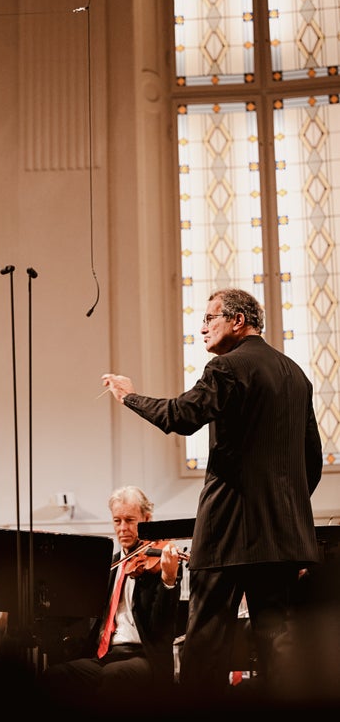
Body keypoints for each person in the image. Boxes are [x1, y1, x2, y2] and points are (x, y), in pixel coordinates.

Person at [102, 288, 323, 707]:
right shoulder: (296, 374)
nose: (202, 326)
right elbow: (310, 460)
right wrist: (285, 509)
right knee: (278, 647)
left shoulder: (226, 367)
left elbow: (180, 417)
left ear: (238, 321)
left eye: (210, 317)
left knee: (205, 646)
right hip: (283, 536)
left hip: (228, 533)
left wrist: (128, 396)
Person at [38, 485, 182, 714]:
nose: (123, 528)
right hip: (106, 655)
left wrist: (168, 580)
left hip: (144, 657)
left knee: (114, 676)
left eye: (130, 520)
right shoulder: (108, 566)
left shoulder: (159, 562)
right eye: (117, 521)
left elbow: (162, 626)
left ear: (147, 519)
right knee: (55, 675)